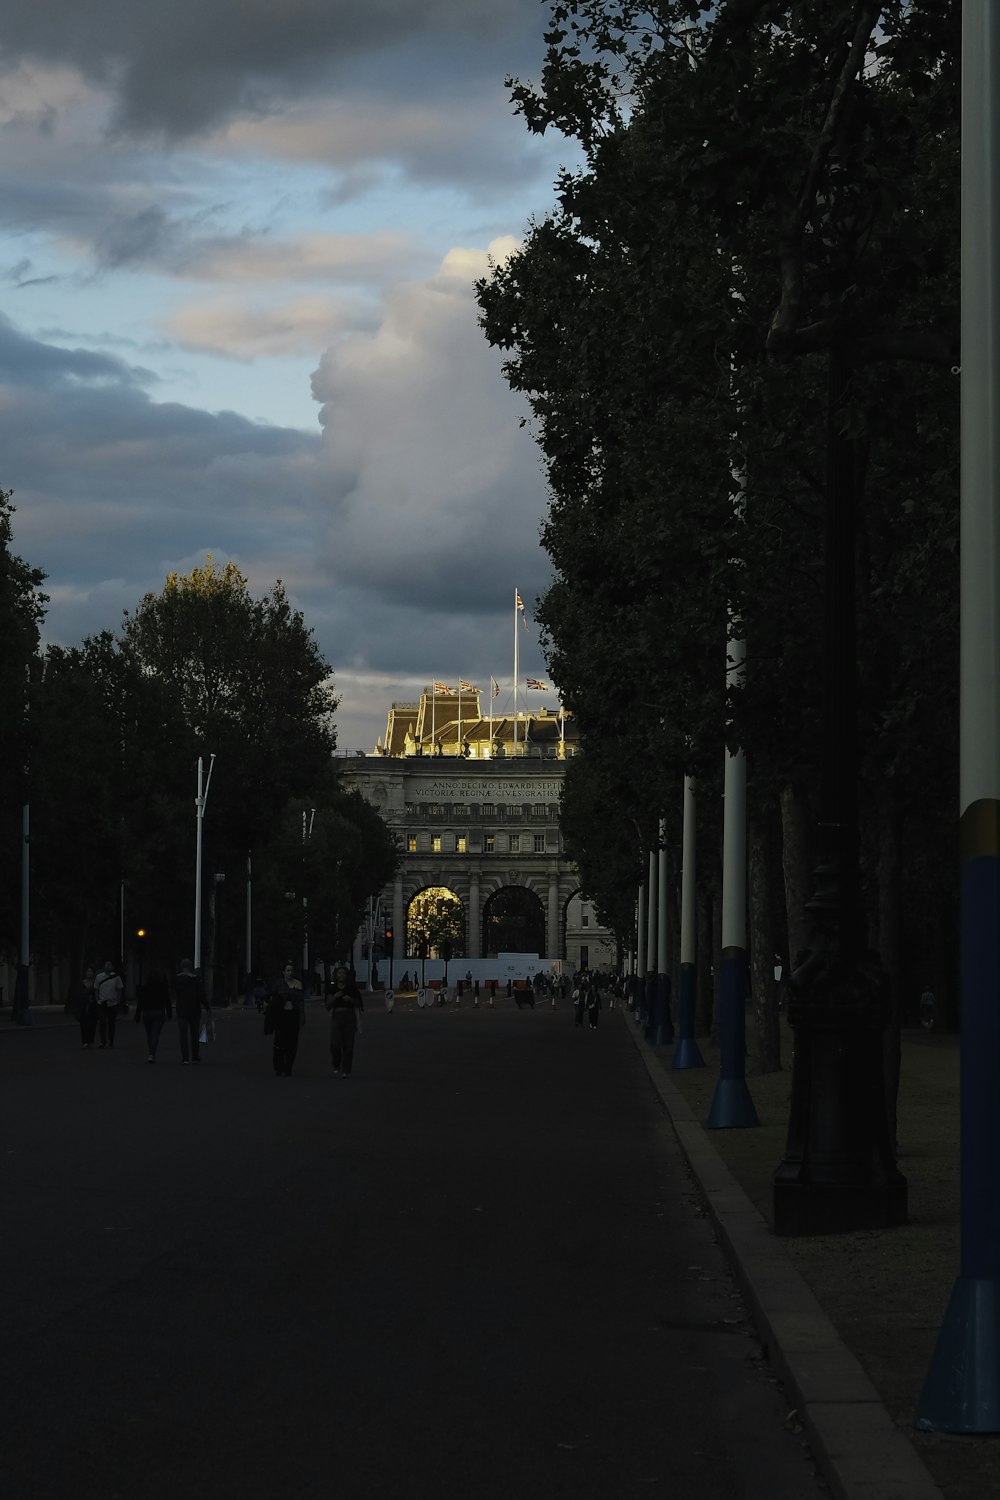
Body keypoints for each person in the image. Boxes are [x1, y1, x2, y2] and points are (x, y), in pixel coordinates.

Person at [266, 961, 305, 1076]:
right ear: (283, 972)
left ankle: (288, 1067)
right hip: (281, 1016)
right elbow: (273, 1000)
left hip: (293, 1015)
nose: (290, 972)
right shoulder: (279, 984)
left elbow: (301, 1002)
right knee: (279, 1042)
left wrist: (302, 1016)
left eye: (292, 970)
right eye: (287, 970)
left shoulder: (298, 984)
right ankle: (279, 1066)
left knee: (292, 1043)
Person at [324, 965, 363, 1078]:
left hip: (349, 1017)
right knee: (335, 1043)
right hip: (337, 1016)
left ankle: (346, 1069)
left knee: (348, 1044)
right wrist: (335, 997)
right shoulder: (332, 989)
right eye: (339, 973)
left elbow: (359, 1004)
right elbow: (327, 1005)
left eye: (344, 973)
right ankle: (336, 1063)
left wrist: (350, 1000)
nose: (342, 975)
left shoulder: (352, 988)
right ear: (336, 975)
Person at [173, 958, 206, 1065]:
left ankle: (185, 1057)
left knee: (183, 1034)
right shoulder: (196, 980)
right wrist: (207, 1006)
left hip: (181, 1009)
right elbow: (201, 995)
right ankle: (195, 1055)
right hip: (194, 1009)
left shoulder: (177, 979)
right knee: (194, 1034)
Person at [135, 968, 172, 1062]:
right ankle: (152, 1053)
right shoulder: (162, 988)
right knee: (155, 1034)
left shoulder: (144, 988)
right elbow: (167, 1001)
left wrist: (137, 1015)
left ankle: (151, 1052)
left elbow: (140, 1002)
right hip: (159, 1012)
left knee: (149, 1034)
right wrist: (169, 1013)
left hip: (147, 1013)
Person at [96, 960, 123, 1049]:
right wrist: (98, 999)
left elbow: (119, 989)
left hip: (112, 1003)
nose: (107, 966)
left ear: (112, 967)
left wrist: (118, 1000)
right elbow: (96, 988)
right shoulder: (99, 977)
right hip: (102, 1002)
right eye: (106, 965)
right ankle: (102, 1041)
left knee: (112, 1023)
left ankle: (111, 1040)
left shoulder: (116, 977)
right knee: (102, 1022)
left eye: (109, 965)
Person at [73, 966, 98, 1049]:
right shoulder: (81, 983)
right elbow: (79, 995)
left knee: (92, 1024)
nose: (89, 973)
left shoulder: (95, 983)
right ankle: (85, 1041)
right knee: (83, 1024)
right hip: (83, 1007)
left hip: (93, 1006)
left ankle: (90, 1040)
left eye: (91, 971)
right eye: (88, 971)